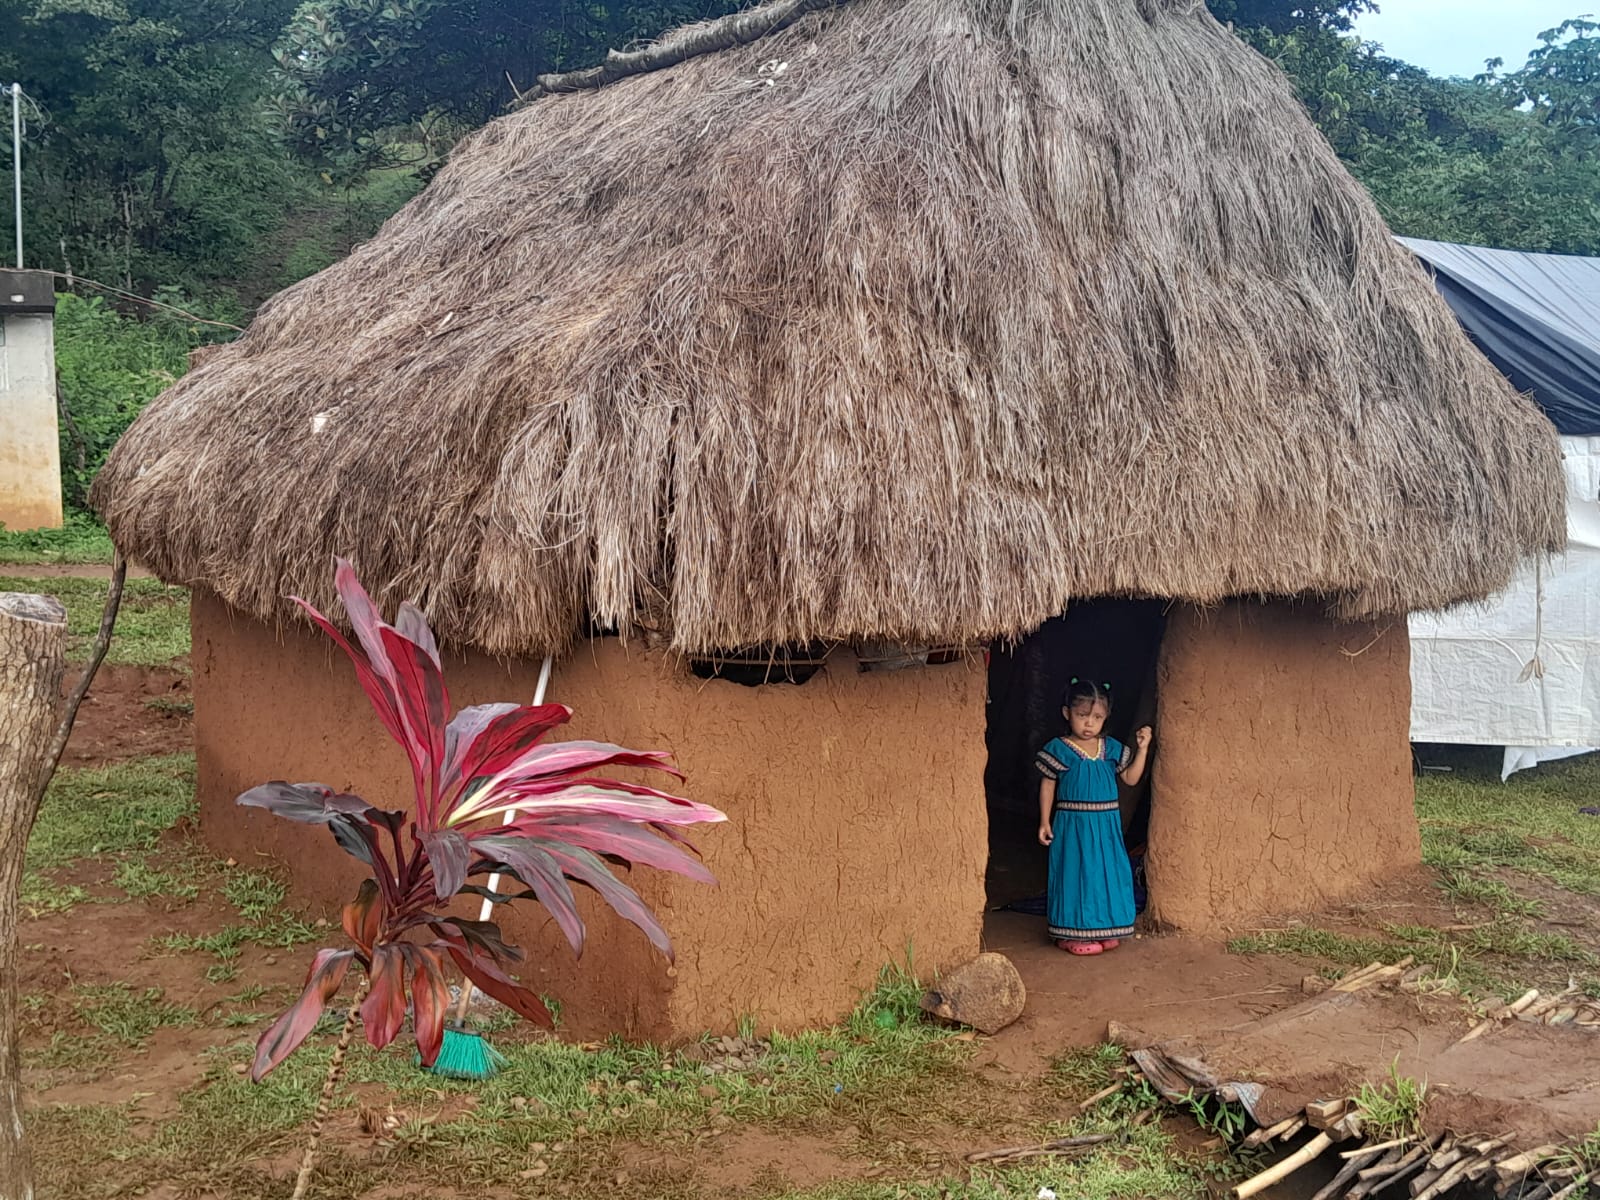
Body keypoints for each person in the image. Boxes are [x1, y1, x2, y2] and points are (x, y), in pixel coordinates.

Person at [1035, 679, 1151, 956]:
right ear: (1067, 714)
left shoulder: (1111, 749)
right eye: (1082, 716)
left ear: (1105, 717)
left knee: (1106, 874)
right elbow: (1048, 784)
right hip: (1073, 825)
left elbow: (1131, 779)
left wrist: (1143, 749)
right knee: (1076, 873)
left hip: (1105, 825)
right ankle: (1071, 933)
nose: (1089, 723)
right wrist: (1044, 821)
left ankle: (1105, 929)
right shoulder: (1059, 749)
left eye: (1097, 717)